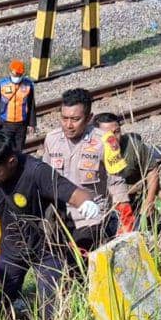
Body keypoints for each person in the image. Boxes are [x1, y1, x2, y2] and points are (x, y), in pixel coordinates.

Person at [0, 131, 101, 320]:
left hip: (46, 248)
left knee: (51, 306)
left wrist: (86, 203)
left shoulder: (36, 172)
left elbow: (74, 193)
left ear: (11, 161)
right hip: (12, 247)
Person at [43, 88, 134, 252]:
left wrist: (126, 221)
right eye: (64, 118)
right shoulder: (52, 139)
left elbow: (117, 183)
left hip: (92, 219)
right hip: (61, 219)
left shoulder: (106, 141)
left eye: (75, 119)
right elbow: (43, 178)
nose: (68, 125)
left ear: (89, 118)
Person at [92, 112, 161, 230]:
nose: (114, 138)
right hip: (106, 208)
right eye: (107, 134)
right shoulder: (90, 153)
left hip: (135, 202)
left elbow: (152, 170)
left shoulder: (134, 146)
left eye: (117, 132)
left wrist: (149, 201)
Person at [0, 60, 37, 150]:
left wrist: (32, 124)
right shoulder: (1, 84)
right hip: (5, 123)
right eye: (16, 74)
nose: (17, 77)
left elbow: (31, 105)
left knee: (19, 149)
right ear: (10, 72)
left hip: (21, 124)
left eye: (20, 75)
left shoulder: (28, 85)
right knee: (5, 148)